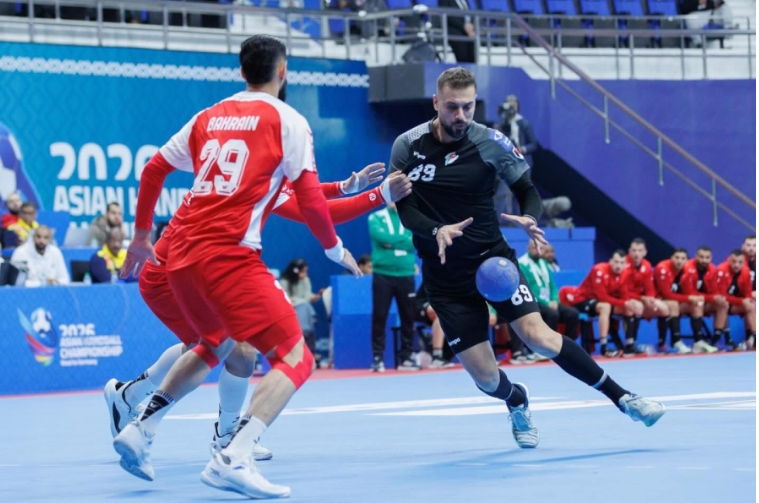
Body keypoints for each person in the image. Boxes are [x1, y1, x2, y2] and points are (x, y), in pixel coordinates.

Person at [111, 35, 366, 498]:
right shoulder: (288, 120)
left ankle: (140, 427)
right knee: (296, 357)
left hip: (179, 256)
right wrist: (335, 250)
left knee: (216, 343)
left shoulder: (208, 117)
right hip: (228, 256)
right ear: (283, 71)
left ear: (242, 70)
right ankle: (232, 457)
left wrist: (142, 236)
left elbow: (152, 170)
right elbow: (309, 200)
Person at [389, 67, 665, 450]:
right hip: (445, 279)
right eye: (452, 107)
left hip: (493, 265)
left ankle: (624, 398)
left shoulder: (492, 142)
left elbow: (526, 189)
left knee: (539, 337)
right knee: (486, 378)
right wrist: (437, 230)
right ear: (436, 103)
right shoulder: (407, 145)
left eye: (468, 107)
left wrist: (530, 216)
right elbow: (405, 209)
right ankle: (516, 399)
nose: (460, 115)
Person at [368, 201, 419, 371]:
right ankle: (377, 358)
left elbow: (414, 242)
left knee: (408, 316)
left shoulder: (411, 217)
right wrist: (403, 240)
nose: (393, 199)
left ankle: (407, 357)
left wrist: (391, 243)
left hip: (406, 273)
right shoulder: (376, 217)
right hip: (383, 274)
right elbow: (380, 237)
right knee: (379, 316)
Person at [567, 251, 642, 357]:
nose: (618, 266)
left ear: (625, 264)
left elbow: (624, 295)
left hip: (603, 302)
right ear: (610, 261)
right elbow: (602, 297)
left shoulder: (624, 274)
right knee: (605, 307)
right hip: (583, 300)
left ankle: (630, 345)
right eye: (616, 262)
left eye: (621, 263)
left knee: (634, 307)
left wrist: (628, 302)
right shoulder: (599, 270)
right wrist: (624, 302)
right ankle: (604, 346)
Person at [623, 238, 682, 354]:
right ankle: (631, 345)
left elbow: (649, 288)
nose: (636, 254)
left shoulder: (647, 265)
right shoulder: (623, 265)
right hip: (627, 299)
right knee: (638, 306)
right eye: (634, 250)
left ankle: (661, 344)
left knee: (664, 308)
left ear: (645, 252)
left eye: (640, 251)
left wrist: (651, 300)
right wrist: (642, 299)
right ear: (629, 251)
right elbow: (624, 291)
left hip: (642, 299)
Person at [654, 248, 718, 353]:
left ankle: (699, 342)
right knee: (673, 304)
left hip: (676, 301)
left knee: (696, 304)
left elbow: (689, 292)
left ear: (686, 260)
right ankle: (676, 342)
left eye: (683, 258)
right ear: (671, 258)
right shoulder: (662, 268)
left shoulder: (687, 271)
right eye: (677, 258)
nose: (679, 261)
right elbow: (666, 294)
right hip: (659, 300)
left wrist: (693, 298)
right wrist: (688, 298)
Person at [518, 240, 579, 340]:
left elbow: (552, 286)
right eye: (535, 247)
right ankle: (548, 344)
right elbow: (527, 289)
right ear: (528, 248)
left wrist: (554, 300)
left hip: (549, 301)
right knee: (553, 314)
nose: (538, 250)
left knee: (572, 314)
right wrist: (547, 303)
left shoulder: (544, 263)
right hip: (533, 302)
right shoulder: (522, 264)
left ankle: (567, 344)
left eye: (541, 248)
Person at [680, 246, 730, 350]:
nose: (704, 260)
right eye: (701, 257)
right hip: (686, 302)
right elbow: (690, 293)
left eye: (707, 257)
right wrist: (712, 298)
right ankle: (698, 341)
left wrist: (717, 298)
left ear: (711, 258)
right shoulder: (688, 267)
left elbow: (714, 291)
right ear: (696, 256)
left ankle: (716, 340)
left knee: (723, 304)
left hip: (703, 301)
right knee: (698, 303)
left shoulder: (711, 268)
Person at [280, 258, 323, 360]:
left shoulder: (306, 280)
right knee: (306, 311)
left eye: (306, 271)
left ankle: (310, 353)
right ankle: (298, 353)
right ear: (295, 271)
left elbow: (307, 295)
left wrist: (316, 296)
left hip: (304, 309)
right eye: (303, 271)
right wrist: (300, 301)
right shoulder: (284, 281)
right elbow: (285, 298)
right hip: (290, 311)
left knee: (307, 316)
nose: (305, 274)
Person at [713, 250, 755, 350]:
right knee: (723, 304)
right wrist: (742, 301)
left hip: (734, 303)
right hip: (717, 303)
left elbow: (747, 294)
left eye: (740, 262)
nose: (736, 265)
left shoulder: (746, 271)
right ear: (729, 260)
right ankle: (717, 339)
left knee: (752, 305)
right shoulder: (721, 270)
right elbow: (722, 295)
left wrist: (747, 301)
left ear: (744, 262)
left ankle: (754, 337)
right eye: (734, 261)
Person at [415, 281, 455, 368]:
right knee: (440, 313)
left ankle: (446, 355)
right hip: (424, 305)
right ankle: (437, 356)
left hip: (446, 309)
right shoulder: (435, 277)